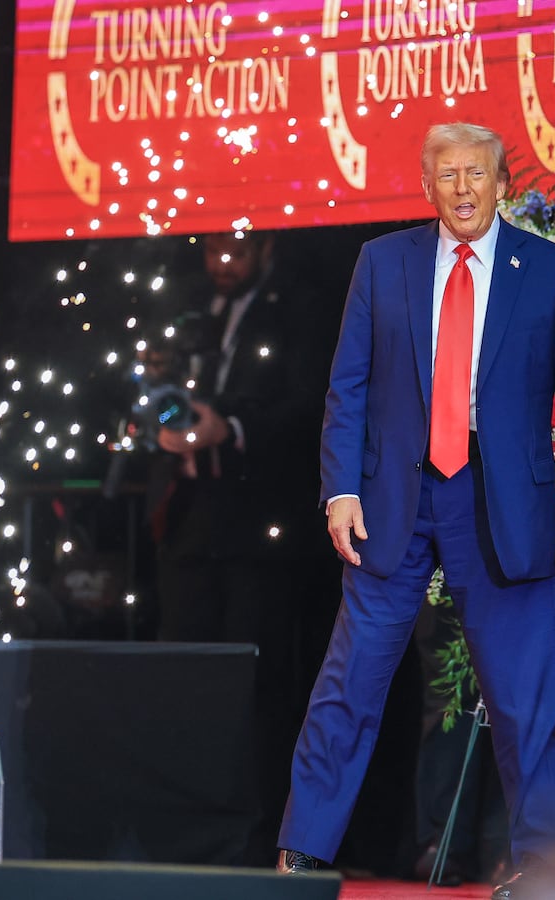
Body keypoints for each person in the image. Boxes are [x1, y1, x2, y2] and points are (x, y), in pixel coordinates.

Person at [276, 122, 555, 900]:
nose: (462, 189)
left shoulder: (549, 271)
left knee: (525, 700)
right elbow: (347, 386)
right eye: (447, 175)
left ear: (502, 185)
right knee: (348, 685)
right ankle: (301, 857)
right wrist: (341, 489)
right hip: (394, 499)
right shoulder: (382, 262)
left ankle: (540, 870)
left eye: (477, 174)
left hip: (504, 505)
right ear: (427, 187)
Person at [143, 229, 338, 862]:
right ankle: (185, 828)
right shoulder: (194, 312)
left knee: (260, 684)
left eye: (237, 253)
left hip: (263, 526)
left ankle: (257, 838)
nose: (223, 265)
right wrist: (158, 405)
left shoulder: (296, 307)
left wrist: (232, 425)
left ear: (268, 251)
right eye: (213, 253)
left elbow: (311, 402)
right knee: (185, 672)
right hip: (193, 521)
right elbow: (171, 399)